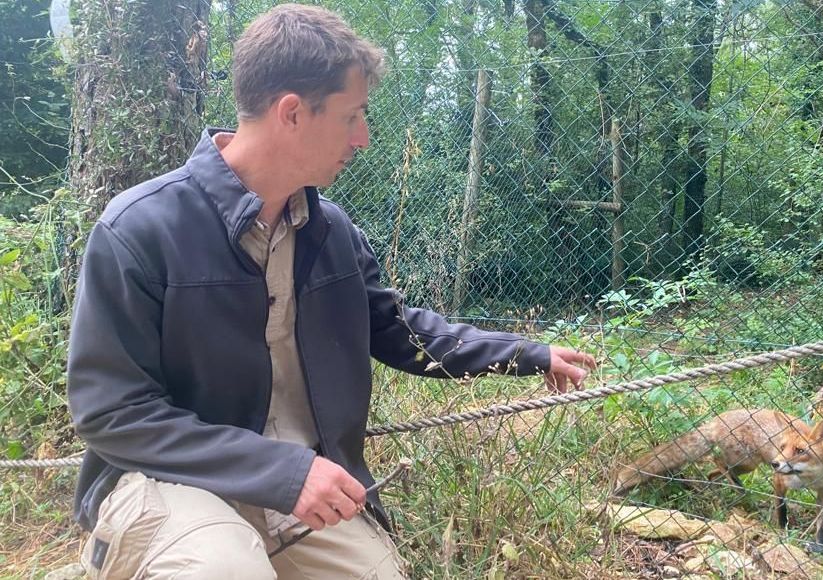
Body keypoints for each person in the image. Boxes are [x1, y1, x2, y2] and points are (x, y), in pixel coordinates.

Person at [66, 4, 596, 579]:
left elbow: (399, 330)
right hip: (168, 485)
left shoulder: (331, 231)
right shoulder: (139, 229)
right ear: (292, 113)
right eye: (352, 117)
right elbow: (112, 412)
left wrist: (529, 354)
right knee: (223, 570)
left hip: (296, 493)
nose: (363, 138)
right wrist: (283, 473)